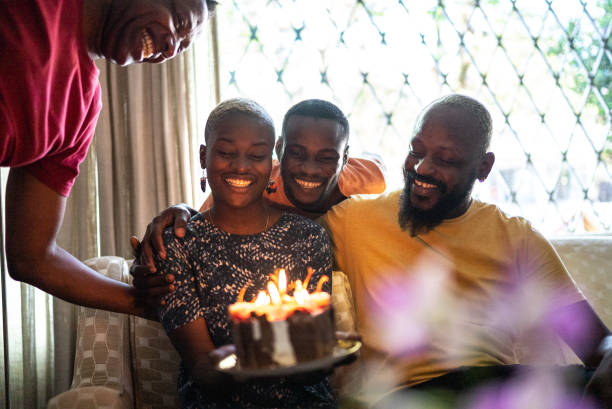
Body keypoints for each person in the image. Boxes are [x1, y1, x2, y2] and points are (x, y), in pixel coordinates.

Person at [319, 94, 612, 406]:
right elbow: (285, 201)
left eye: (445, 160)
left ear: (483, 167)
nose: (421, 168)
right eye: (416, 151)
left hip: (494, 390)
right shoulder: (353, 220)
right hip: (408, 395)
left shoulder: (516, 236)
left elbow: (598, 342)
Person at [1, 0, 216, 317]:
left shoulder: (82, 108)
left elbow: (31, 257)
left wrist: (154, 303)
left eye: (181, 47)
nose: (171, 47)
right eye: (178, 20)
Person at [154, 98, 335, 408]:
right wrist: (255, 356)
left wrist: (314, 360)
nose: (241, 166)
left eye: (256, 155)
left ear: (272, 159)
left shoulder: (309, 237)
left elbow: (315, 360)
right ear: (203, 155)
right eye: (225, 153)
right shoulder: (178, 244)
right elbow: (204, 372)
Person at [132, 98, 385, 273]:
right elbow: (210, 225)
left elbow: (380, 167)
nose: (309, 169)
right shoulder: (257, 184)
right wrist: (181, 209)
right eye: (296, 154)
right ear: (279, 150)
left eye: (327, 158)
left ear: (345, 160)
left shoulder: (365, 183)